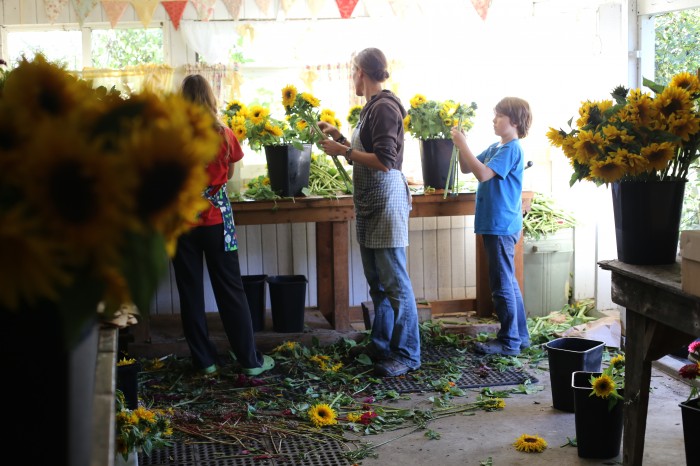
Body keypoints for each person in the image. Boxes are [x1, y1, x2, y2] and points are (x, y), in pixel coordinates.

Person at [317, 48, 420, 377]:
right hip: (372, 203)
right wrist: (341, 138)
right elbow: (368, 151)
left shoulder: (386, 107)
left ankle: (407, 353)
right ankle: (381, 344)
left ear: (362, 71)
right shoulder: (373, 108)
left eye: (353, 72)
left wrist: (344, 150)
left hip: (387, 203)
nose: (353, 79)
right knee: (378, 283)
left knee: (395, 284)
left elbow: (385, 160)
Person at [174, 74, 274, 376]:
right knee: (231, 290)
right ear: (210, 99)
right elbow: (229, 175)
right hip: (217, 222)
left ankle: (204, 361)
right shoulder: (224, 134)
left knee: (190, 292)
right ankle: (249, 361)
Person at [450, 97, 532, 356]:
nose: (494, 120)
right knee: (508, 282)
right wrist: (461, 146)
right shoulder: (497, 146)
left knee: (501, 285)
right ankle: (520, 337)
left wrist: (463, 144)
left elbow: (484, 174)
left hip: (500, 224)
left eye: (499, 116)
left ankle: (509, 342)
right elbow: (467, 168)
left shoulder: (512, 149)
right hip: (496, 222)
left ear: (515, 121)